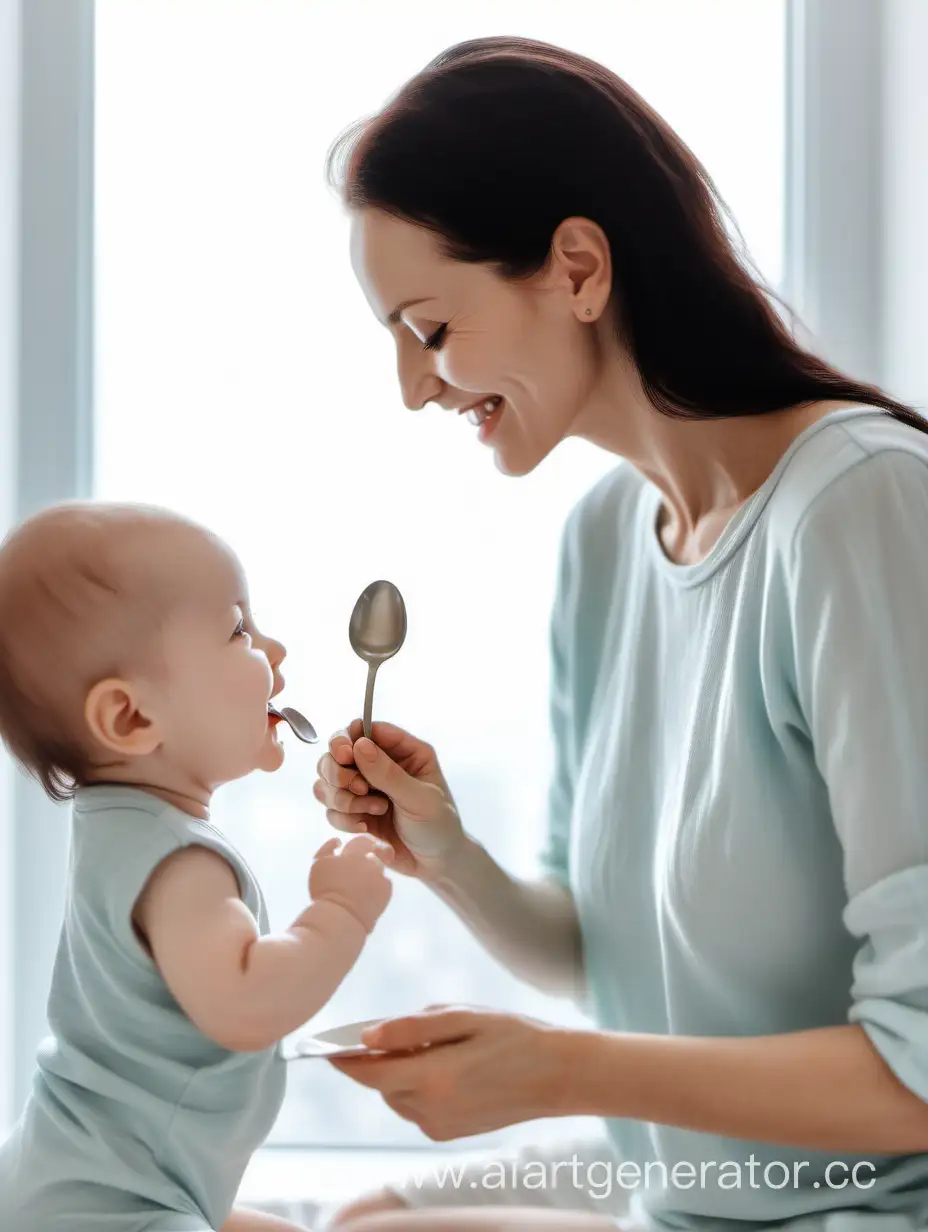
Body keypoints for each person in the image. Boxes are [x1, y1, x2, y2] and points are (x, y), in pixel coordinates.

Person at [311, 35, 928, 1232]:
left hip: (852, 1208)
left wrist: (555, 1068)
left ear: (578, 267)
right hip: (695, 1189)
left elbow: (920, 1070)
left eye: (430, 331)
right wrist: (440, 848)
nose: (414, 388)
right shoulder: (604, 541)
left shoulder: (862, 507)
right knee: (361, 1216)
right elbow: (598, 958)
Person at [0, 502, 393, 1232]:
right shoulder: (181, 865)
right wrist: (341, 912)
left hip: (87, 1181)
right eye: (240, 630)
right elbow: (245, 1007)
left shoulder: (118, 830)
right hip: (111, 1208)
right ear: (131, 720)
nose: (274, 650)